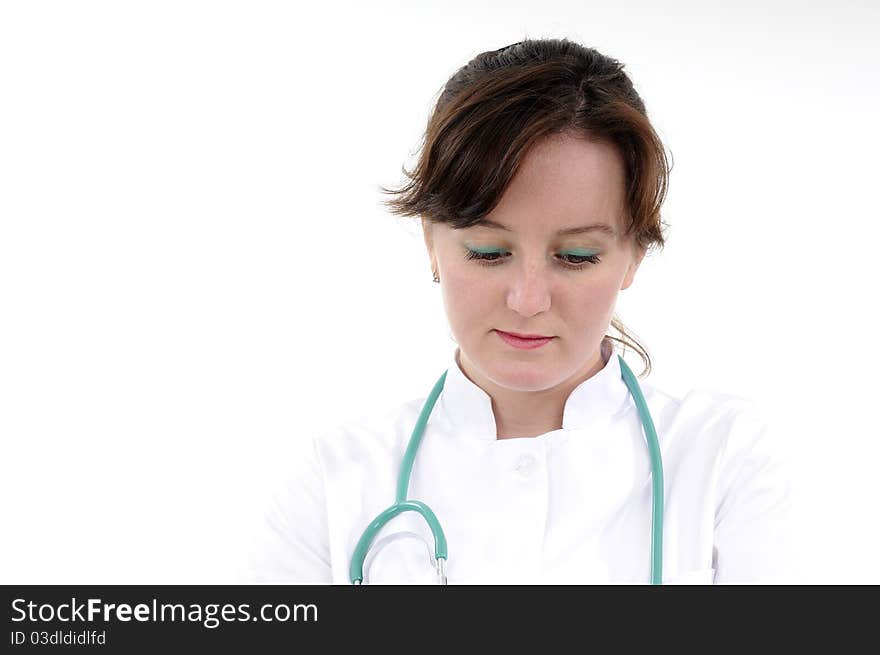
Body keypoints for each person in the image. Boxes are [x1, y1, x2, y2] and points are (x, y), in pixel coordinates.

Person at [247, 38, 797, 584]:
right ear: (430, 242)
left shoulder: (722, 459)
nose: (528, 300)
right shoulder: (335, 483)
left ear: (634, 257)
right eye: (489, 253)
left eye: (576, 257)